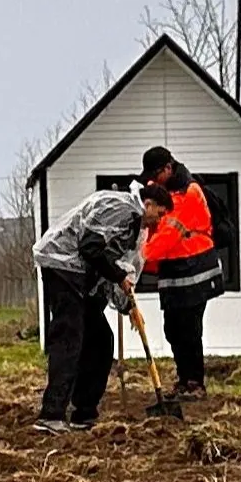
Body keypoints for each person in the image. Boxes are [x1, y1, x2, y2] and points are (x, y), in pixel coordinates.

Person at [31, 180, 174, 430]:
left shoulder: (135, 227)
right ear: (148, 204)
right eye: (160, 214)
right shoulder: (120, 208)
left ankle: (84, 412)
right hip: (63, 267)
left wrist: (127, 305)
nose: (159, 221)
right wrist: (118, 276)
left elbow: (115, 263)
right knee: (69, 337)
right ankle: (51, 415)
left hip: (82, 276)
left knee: (100, 340)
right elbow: (90, 248)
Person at [138, 145, 222, 398]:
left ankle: (195, 383)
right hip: (173, 270)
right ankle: (184, 379)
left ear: (168, 168)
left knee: (190, 328)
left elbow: (168, 235)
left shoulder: (189, 193)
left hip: (195, 268)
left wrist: (139, 258)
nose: (152, 180)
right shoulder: (160, 189)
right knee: (173, 328)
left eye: (156, 174)